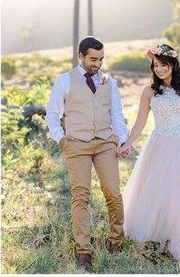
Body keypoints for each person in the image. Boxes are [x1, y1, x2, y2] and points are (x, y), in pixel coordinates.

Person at [121, 44, 180, 271]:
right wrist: (128, 143)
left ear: (173, 64)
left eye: (163, 65)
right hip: (160, 145)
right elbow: (140, 122)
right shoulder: (149, 92)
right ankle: (161, 235)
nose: (160, 69)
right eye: (155, 65)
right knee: (160, 190)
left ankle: (179, 239)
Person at [45, 36, 128, 272]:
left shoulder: (109, 82)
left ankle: (116, 241)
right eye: (93, 59)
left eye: (101, 59)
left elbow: (117, 115)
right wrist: (60, 137)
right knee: (81, 196)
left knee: (113, 192)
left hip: (104, 143)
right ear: (80, 56)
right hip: (77, 145)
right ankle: (83, 252)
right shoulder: (64, 81)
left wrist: (121, 140)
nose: (97, 63)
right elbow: (52, 113)